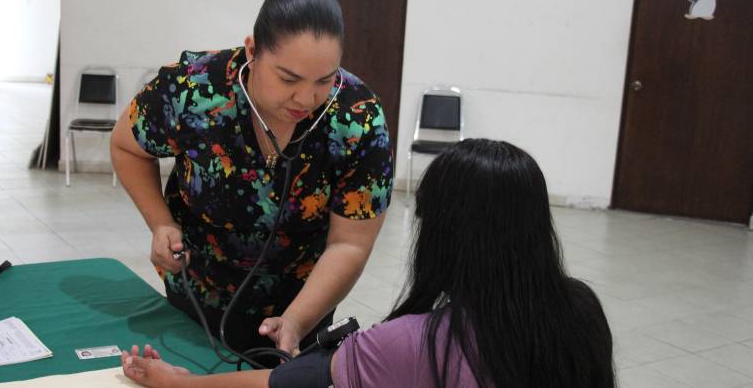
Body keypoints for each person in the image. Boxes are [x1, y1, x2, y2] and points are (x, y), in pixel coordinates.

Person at [119, 139, 616, 388]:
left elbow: (281, 383)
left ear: (441, 234)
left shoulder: (418, 342)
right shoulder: (582, 310)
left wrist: (183, 383)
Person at [110, 0, 395, 360]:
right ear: (252, 51)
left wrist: (296, 320)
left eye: (325, 80)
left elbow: (349, 244)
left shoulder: (358, 119)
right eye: (288, 79)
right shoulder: (193, 89)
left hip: (304, 302)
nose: (306, 99)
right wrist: (159, 222)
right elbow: (126, 146)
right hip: (198, 295)